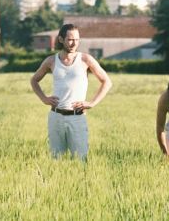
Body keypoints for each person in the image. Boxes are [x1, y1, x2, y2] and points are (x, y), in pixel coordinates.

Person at [30, 24, 112, 160]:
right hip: (56, 117)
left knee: (81, 160)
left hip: (78, 117)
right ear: (61, 39)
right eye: (70, 39)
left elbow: (107, 82)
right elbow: (34, 80)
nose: (74, 43)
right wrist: (44, 99)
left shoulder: (86, 60)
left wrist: (92, 103)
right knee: (56, 160)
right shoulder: (51, 61)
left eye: (77, 40)